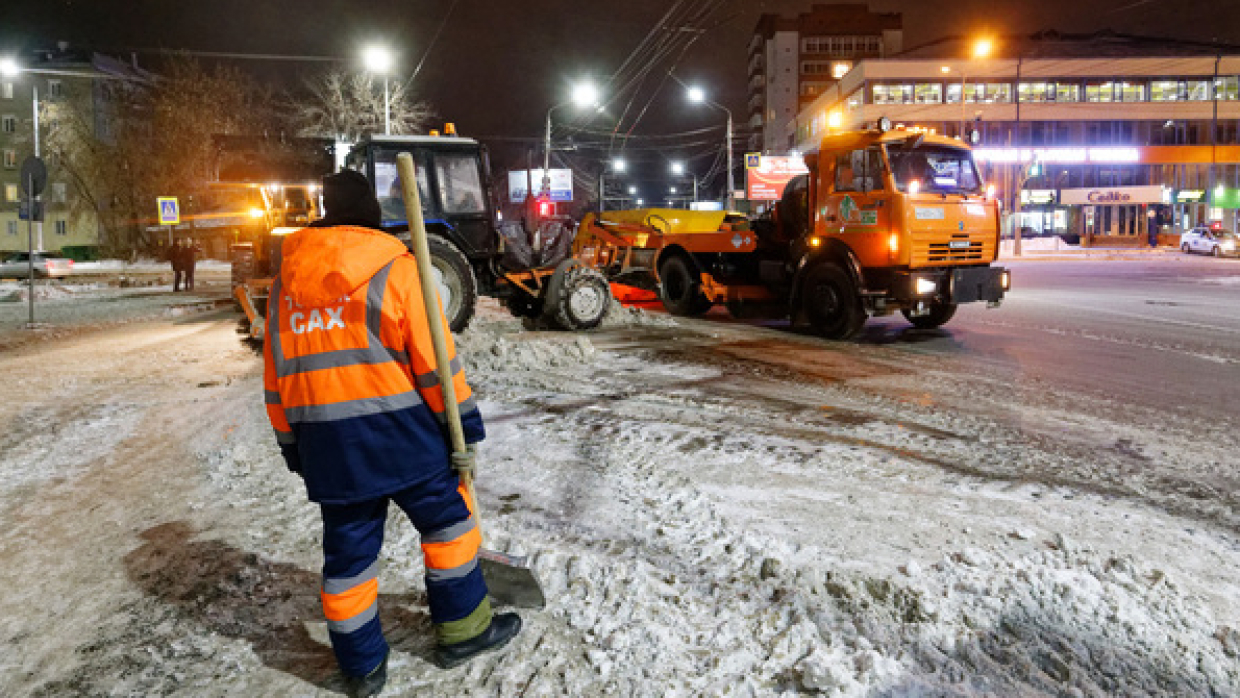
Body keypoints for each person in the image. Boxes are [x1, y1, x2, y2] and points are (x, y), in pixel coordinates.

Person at [262, 170, 520, 697]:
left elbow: (276, 374)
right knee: (449, 528)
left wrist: (292, 444)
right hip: (405, 441)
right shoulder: (399, 271)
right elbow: (436, 367)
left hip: (331, 450)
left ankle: (361, 667)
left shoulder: (286, 286)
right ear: (374, 219)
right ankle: (464, 633)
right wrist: (463, 426)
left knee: (348, 560)